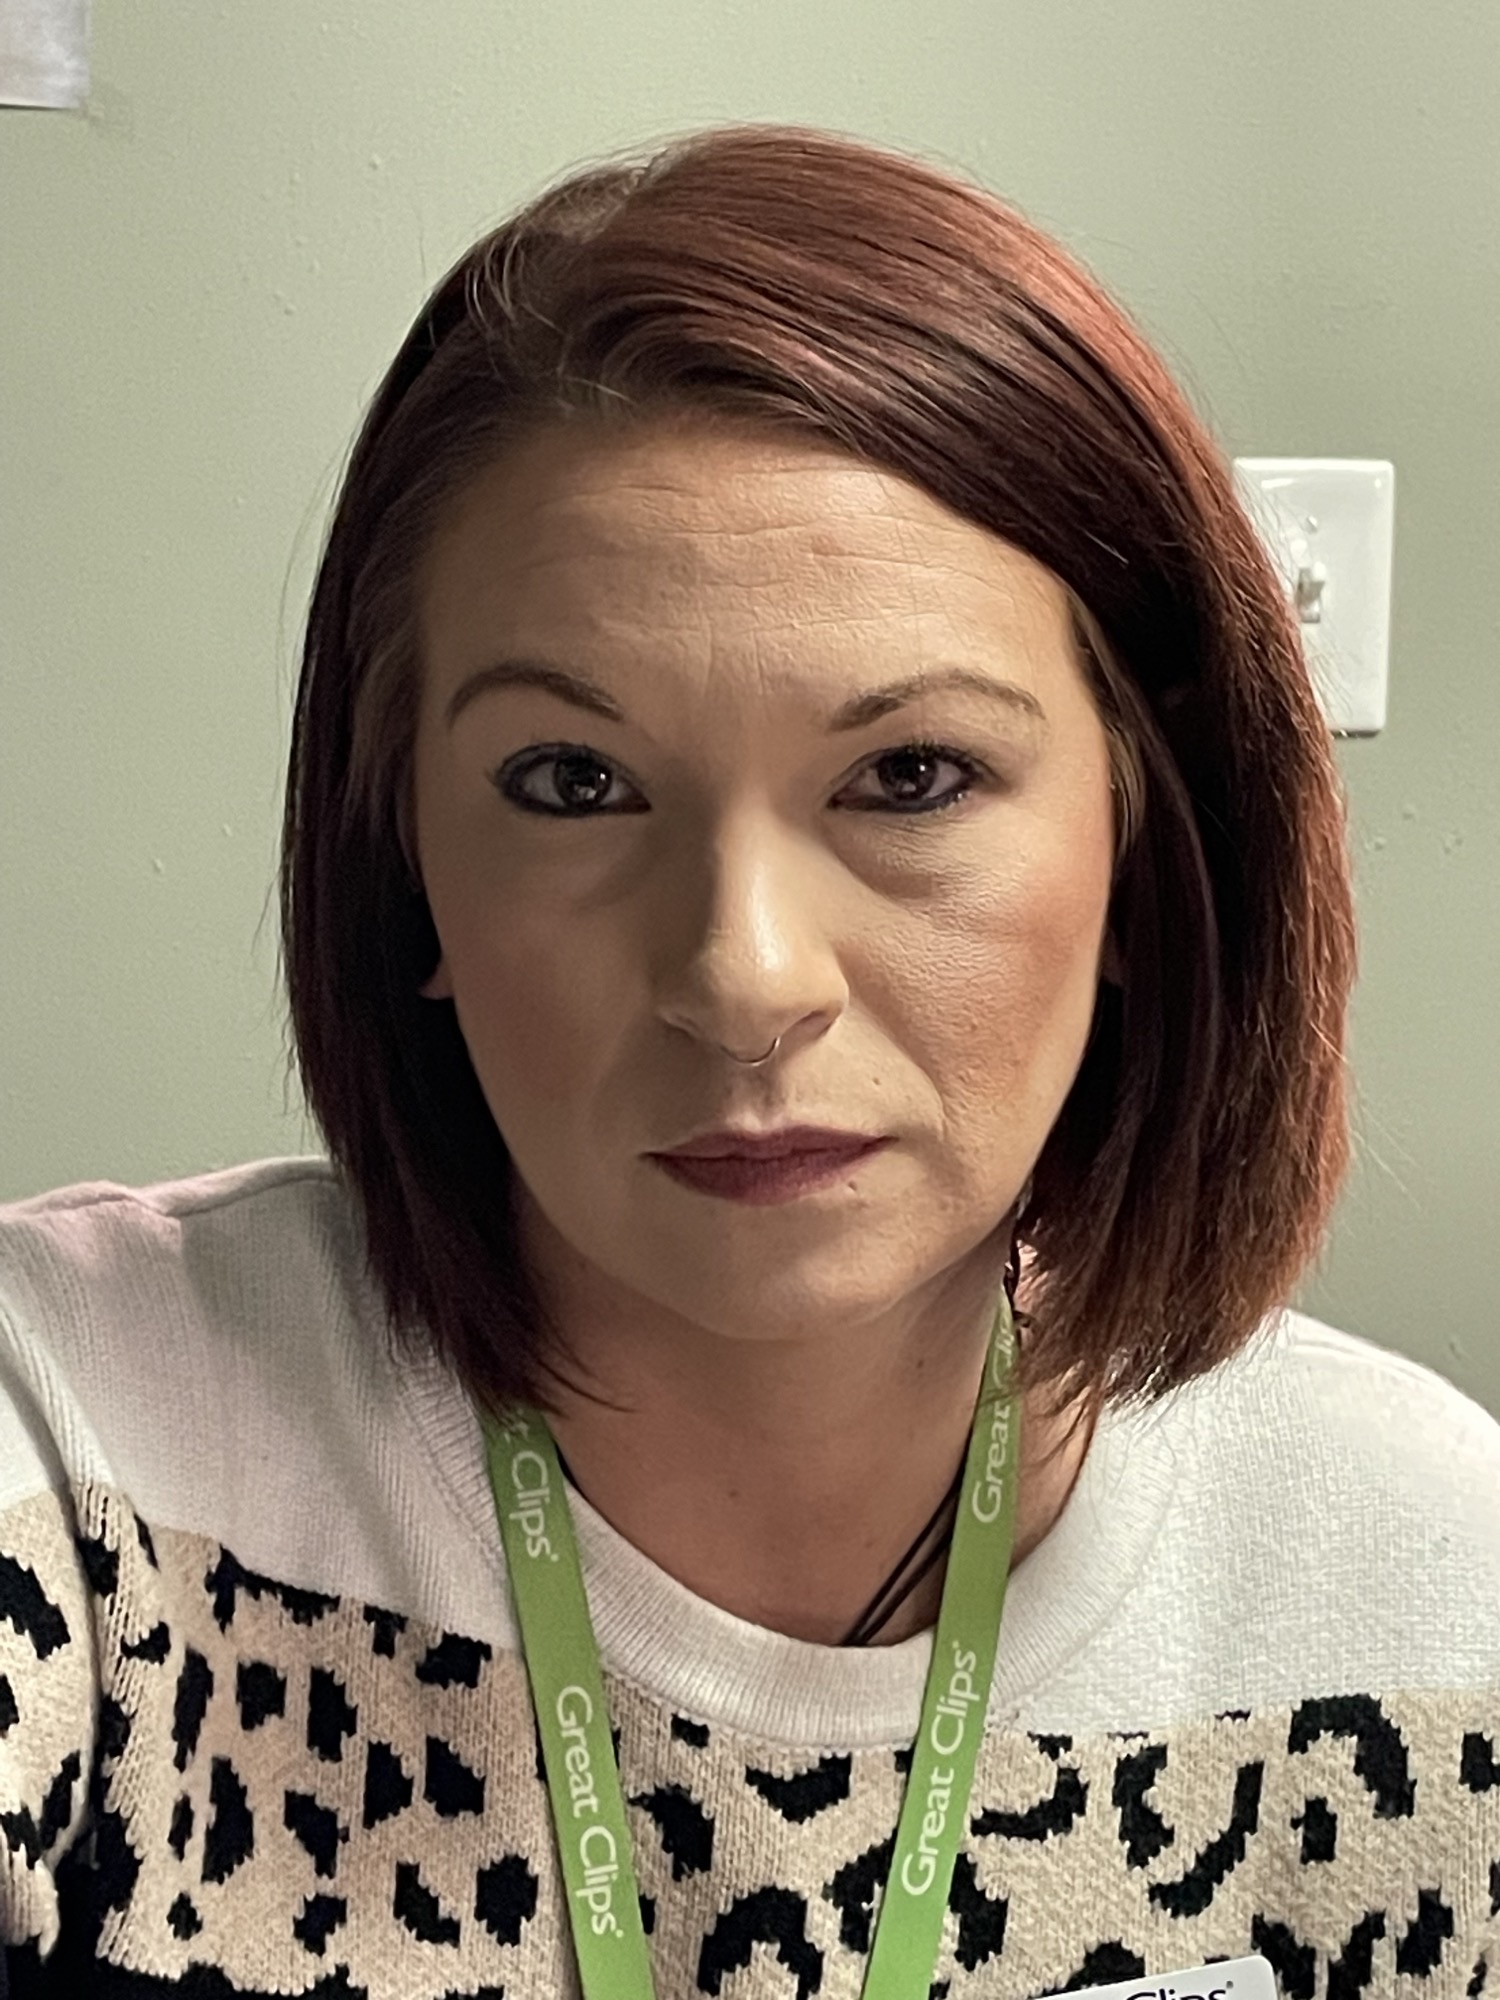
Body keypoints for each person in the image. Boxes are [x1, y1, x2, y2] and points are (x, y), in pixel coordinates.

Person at [1, 124, 1496, 2000]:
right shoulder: (87, 1453)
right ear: (408, 873)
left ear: (1147, 846)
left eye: (911, 776)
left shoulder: (1435, 1594)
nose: (741, 978)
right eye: (573, 783)